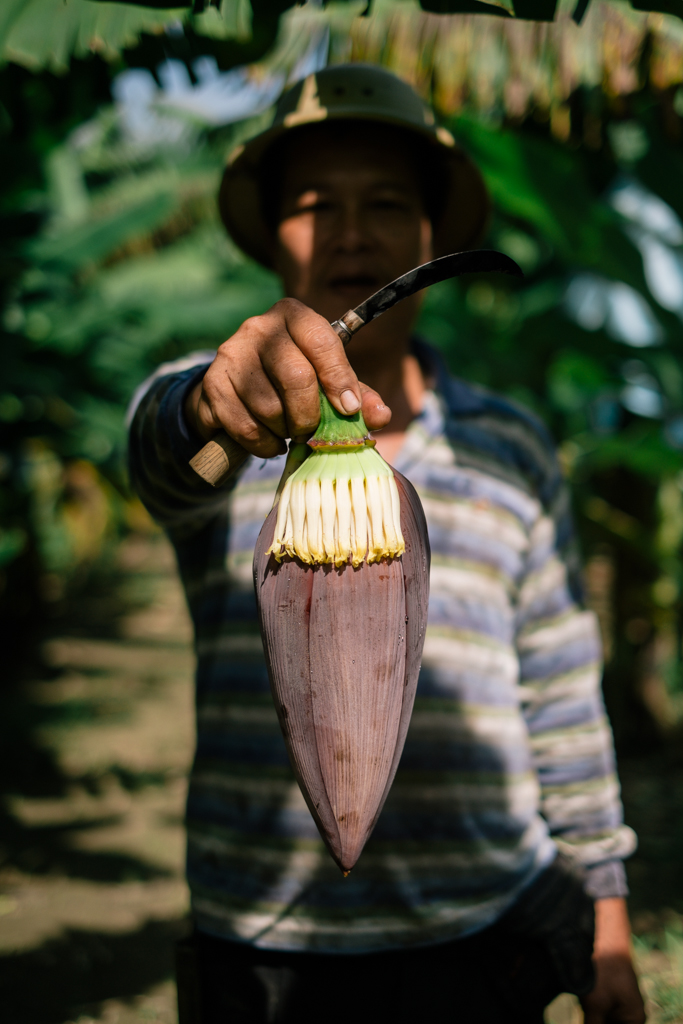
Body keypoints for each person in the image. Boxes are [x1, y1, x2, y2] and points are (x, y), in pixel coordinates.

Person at [129, 64, 646, 1023]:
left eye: (386, 203)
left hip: (483, 931)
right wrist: (211, 402)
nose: (350, 231)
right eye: (316, 204)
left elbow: (562, 689)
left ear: (428, 236)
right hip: (265, 944)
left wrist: (606, 918)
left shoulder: (510, 446)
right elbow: (160, 448)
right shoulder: (222, 418)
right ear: (274, 236)